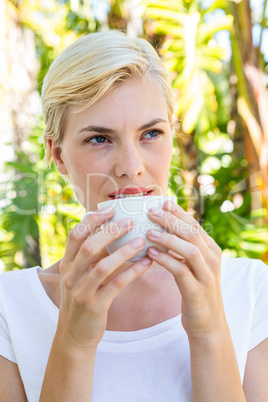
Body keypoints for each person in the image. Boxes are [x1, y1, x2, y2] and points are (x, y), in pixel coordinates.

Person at [0, 29, 268, 402]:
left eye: (151, 133)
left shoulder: (251, 290)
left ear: (172, 138)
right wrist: (74, 341)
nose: (131, 166)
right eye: (99, 138)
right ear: (58, 155)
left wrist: (208, 330)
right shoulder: (10, 308)